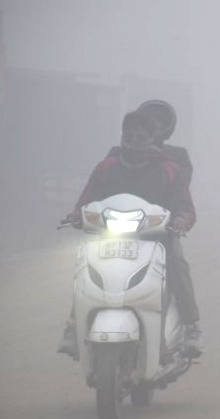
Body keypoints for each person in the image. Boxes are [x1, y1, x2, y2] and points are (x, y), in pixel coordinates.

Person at [57, 111, 204, 359]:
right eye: (129, 136)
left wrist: (180, 221)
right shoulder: (107, 167)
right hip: (111, 237)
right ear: (122, 136)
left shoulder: (167, 169)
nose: (133, 141)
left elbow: (185, 206)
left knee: (176, 263)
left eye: (140, 137)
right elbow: (86, 201)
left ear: (152, 139)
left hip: (157, 238)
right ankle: (73, 326)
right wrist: (76, 215)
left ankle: (192, 327)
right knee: (85, 266)